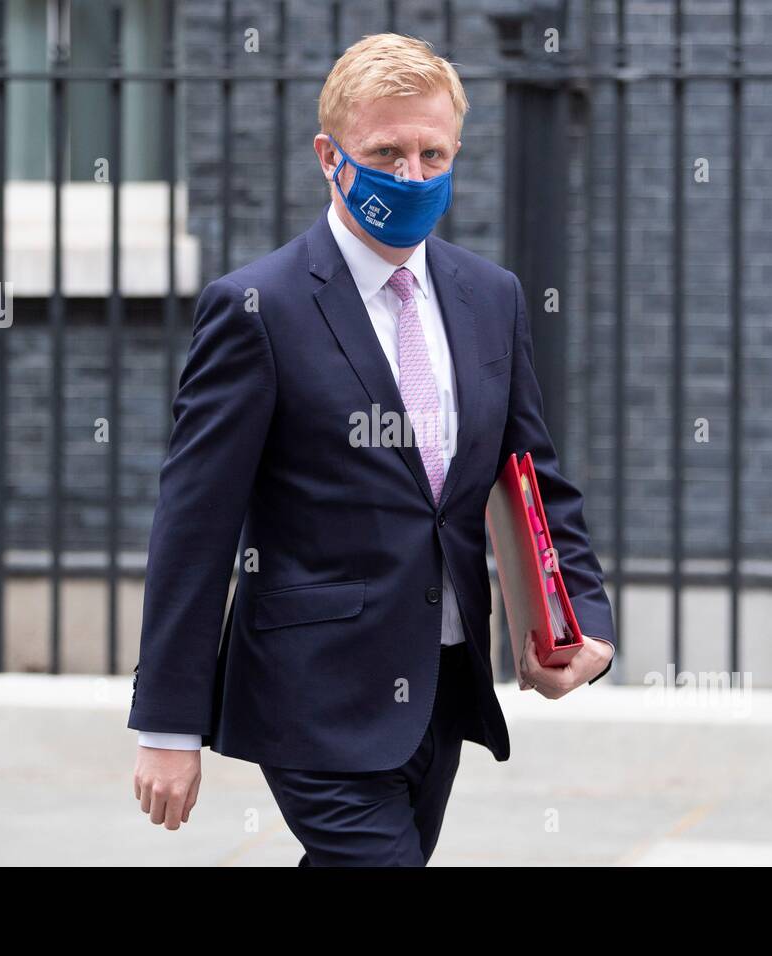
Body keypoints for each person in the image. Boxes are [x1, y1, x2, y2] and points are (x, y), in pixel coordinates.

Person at [129, 32, 615, 866]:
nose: (413, 175)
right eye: (385, 152)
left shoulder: (489, 298)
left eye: (433, 152)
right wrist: (168, 723)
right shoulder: (257, 307)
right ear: (330, 155)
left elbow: (531, 475)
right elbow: (193, 523)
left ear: (457, 149)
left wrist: (585, 624)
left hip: (442, 688)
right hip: (311, 694)